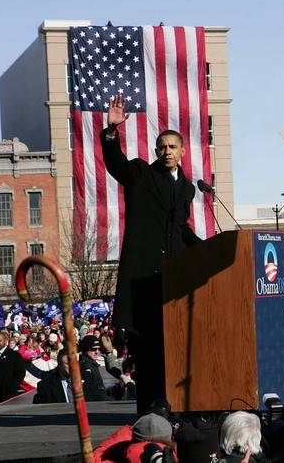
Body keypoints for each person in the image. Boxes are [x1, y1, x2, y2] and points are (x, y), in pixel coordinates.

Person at [101, 94, 201, 413]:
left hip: (173, 280)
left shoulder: (187, 188)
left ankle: (173, 410)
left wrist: (206, 247)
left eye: (172, 146)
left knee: (174, 350)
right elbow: (116, 164)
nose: (167, 151)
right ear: (157, 152)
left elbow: (180, 228)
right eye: (162, 147)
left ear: (183, 151)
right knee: (147, 353)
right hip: (142, 278)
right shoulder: (142, 174)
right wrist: (111, 133)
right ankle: (146, 415)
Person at [0, 329, 25, 404]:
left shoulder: (14, 355)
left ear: (5, 341)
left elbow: (20, 373)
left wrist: (11, 386)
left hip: (6, 394)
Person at [79, 335, 108, 401]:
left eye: (99, 349)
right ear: (85, 349)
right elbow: (92, 392)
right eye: (93, 349)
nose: (97, 352)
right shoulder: (86, 367)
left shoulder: (92, 364)